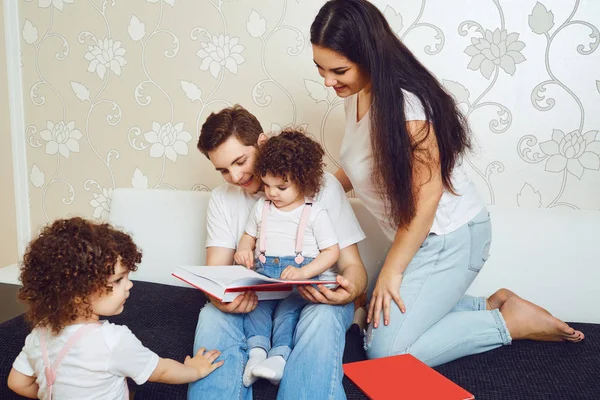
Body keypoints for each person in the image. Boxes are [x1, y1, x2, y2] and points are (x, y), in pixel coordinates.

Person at [309, 0, 584, 367]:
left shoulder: (408, 107)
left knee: (384, 352)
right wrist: (308, 193)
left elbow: (428, 195)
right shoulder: (357, 94)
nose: (328, 81)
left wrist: (392, 269)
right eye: (321, 69)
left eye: (338, 70)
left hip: (451, 237)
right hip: (423, 239)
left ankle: (508, 323)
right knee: (375, 318)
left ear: (369, 56)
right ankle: (489, 304)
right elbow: (361, 165)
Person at [189, 105, 367, 400]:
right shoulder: (223, 199)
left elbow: (355, 269)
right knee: (211, 316)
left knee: (323, 314)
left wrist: (347, 292)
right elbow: (215, 275)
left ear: (262, 143)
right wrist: (220, 299)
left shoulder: (323, 188)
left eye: (240, 161)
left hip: (311, 296)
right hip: (258, 298)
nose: (234, 176)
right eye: (222, 169)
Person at [7, 217, 223, 400]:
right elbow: (162, 371)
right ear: (78, 293)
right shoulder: (112, 340)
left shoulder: (39, 335)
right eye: (118, 280)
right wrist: (195, 369)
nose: (129, 285)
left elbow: (17, 383)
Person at [235, 129, 341, 387]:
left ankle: (279, 358)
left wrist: (304, 273)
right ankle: (256, 354)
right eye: (267, 185)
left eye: (281, 187)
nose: (271, 193)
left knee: (286, 315)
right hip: (265, 279)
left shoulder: (315, 213)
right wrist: (244, 250)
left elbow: (332, 252)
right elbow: (248, 237)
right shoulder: (262, 208)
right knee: (254, 309)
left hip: (297, 285)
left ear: (304, 182)